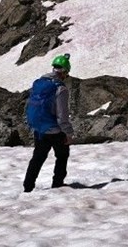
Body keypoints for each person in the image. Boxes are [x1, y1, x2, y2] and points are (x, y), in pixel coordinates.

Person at [23, 53, 74, 192]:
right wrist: (68, 133)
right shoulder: (60, 88)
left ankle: (28, 187)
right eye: (67, 73)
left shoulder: (39, 83)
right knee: (62, 156)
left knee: (37, 158)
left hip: (39, 129)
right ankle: (57, 185)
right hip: (55, 131)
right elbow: (62, 116)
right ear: (64, 71)